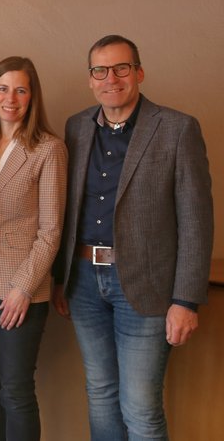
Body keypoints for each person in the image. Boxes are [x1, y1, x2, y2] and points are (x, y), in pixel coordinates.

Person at [52, 34, 213, 440]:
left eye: (121, 68)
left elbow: (196, 220)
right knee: (101, 394)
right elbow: (67, 210)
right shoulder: (76, 127)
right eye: (100, 70)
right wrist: (60, 279)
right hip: (84, 282)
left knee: (140, 406)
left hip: (147, 286)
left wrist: (185, 300)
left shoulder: (177, 128)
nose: (112, 78)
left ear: (138, 72)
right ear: (91, 79)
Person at [0, 56, 67, 441]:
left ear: (32, 96)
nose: (11, 98)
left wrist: (23, 288)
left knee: (16, 392)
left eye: (21, 90)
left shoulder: (48, 149)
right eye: (3, 88)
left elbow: (51, 230)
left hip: (21, 290)